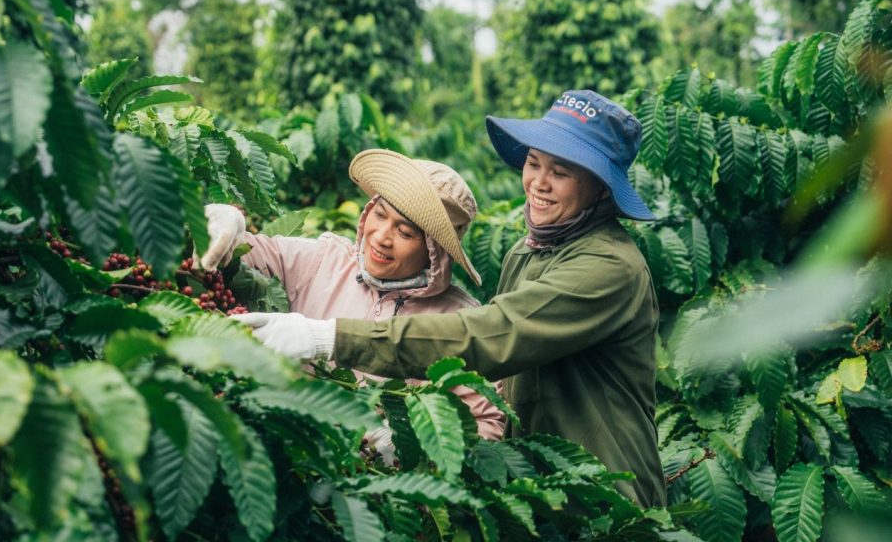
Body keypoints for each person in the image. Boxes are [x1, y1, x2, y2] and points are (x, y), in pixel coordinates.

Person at [234, 90, 667, 507]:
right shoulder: (528, 252)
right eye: (534, 163)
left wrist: (328, 338)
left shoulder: (609, 268)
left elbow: (492, 336)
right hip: (542, 490)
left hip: (605, 497)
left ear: (601, 188)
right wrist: (229, 227)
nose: (539, 182)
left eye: (562, 172)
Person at [196, 149, 505, 440]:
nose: (382, 238)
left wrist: (408, 444)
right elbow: (247, 257)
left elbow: (489, 425)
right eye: (380, 215)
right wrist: (226, 226)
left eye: (406, 233)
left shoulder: (459, 322)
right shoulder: (323, 261)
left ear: (434, 251)